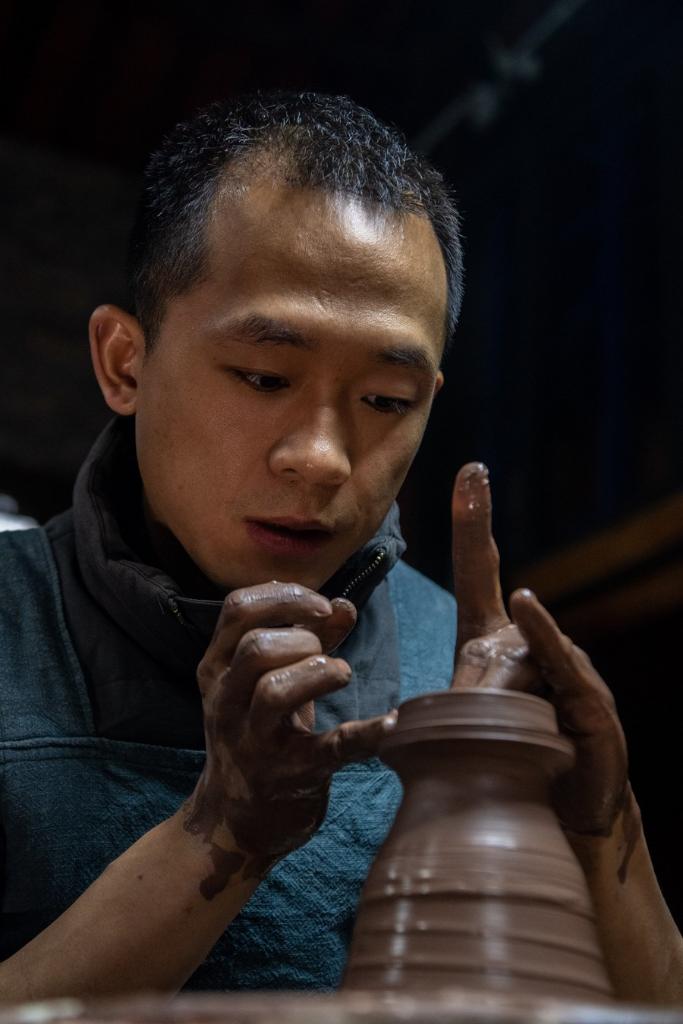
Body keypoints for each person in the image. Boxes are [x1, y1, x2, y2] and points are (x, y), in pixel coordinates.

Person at [0, 91, 679, 1003]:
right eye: (264, 376)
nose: (321, 459)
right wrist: (223, 835)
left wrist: (603, 830)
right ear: (125, 361)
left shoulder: (474, 673)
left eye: (386, 402)